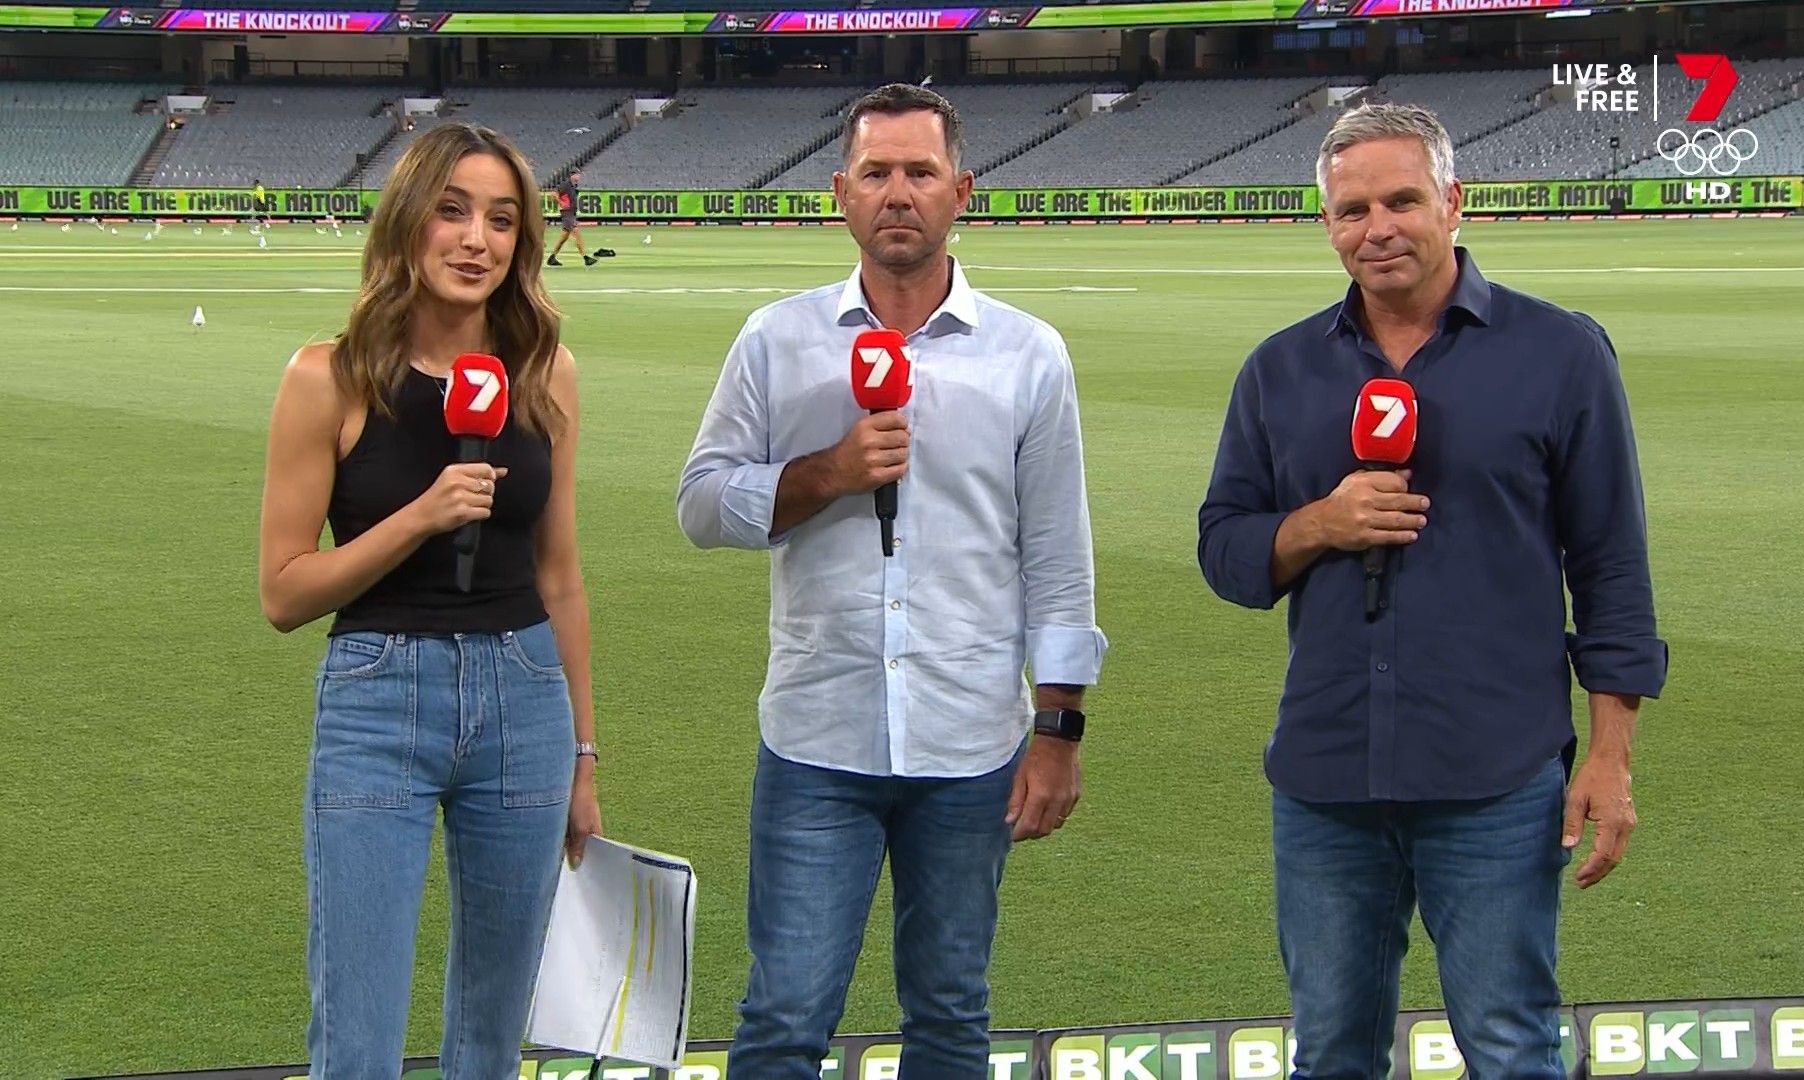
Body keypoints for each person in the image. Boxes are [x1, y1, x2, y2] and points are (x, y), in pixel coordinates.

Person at [1196, 101, 1669, 1079]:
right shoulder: (1279, 369)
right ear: (1327, 224)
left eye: (1402, 201)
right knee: (1331, 1053)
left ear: (1454, 202)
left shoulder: (1561, 353)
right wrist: (1318, 524)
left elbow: (1611, 567)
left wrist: (1610, 755)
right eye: (1352, 210)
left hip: (1497, 775)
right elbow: (1225, 552)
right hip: (1327, 776)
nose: (1378, 228)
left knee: (1510, 1048)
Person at [677, 83, 1108, 1080]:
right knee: (784, 1015)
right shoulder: (776, 339)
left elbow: (1057, 556)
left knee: (950, 1013)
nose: (898, 193)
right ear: (841, 193)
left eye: (920, 172)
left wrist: (1059, 731)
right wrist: (825, 473)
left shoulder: (1028, 354)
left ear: (962, 190)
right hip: (816, 740)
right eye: (876, 173)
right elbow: (700, 505)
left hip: (970, 744)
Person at [257, 121, 602, 1080]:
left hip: (525, 698)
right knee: (357, 1034)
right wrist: (419, 517)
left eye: (501, 220)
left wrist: (582, 755)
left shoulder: (546, 374)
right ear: (408, 220)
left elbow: (561, 576)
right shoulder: (326, 377)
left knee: (493, 1035)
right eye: (452, 212)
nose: (475, 240)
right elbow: (283, 592)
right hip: (377, 699)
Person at [547, 169, 596, 267]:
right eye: (577, 175)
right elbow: (554, 193)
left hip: (571, 213)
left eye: (579, 175)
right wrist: (561, 203)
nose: (579, 176)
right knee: (577, 234)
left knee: (563, 238)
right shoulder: (566, 184)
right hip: (567, 213)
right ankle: (586, 258)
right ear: (572, 176)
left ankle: (552, 258)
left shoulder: (574, 186)